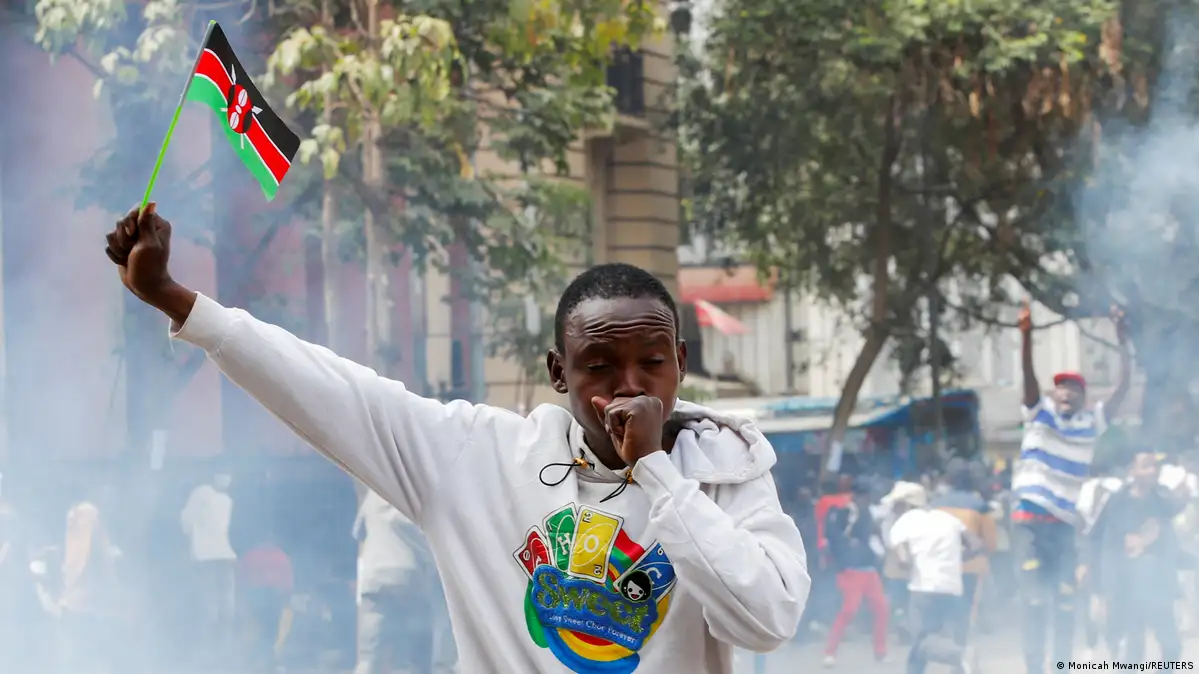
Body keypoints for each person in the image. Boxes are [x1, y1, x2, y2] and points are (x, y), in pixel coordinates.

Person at [103, 205, 810, 674]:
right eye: (599, 366)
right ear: (558, 373)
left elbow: (765, 621)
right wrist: (174, 298)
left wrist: (656, 471)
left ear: (680, 362)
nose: (629, 386)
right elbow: (334, 391)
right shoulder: (481, 456)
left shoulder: (727, 468)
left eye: (652, 363)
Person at [1012, 299, 1130, 674]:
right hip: (1030, 523)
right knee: (1034, 601)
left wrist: (1122, 341)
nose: (1066, 393)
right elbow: (1028, 377)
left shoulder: (1091, 423)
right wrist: (1026, 336)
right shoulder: (1038, 413)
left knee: (1065, 602)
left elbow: (1123, 388)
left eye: (1074, 389)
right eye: (1060, 388)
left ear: (1084, 398)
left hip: (1063, 527)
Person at [1083, 452, 1186, 662]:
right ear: (1132, 471)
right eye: (1146, 466)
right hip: (1126, 586)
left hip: (1159, 584)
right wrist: (1089, 569)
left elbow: (1173, 521)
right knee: (1131, 647)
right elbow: (1095, 537)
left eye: (1154, 466)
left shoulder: (1162, 498)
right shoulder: (1115, 502)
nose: (1152, 471)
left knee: (1171, 646)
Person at [885, 482, 979, 674]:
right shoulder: (946, 518)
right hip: (953, 588)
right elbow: (977, 545)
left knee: (921, 641)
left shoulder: (904, 522)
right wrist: (955, 560)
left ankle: (960, 655)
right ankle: (958, 660)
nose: (893, 509)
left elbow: (903, 560)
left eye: (895, 505)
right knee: (946, 638)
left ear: (906, 504)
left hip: (924, 589)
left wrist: (909, 564)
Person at [353, 487, 438, 674]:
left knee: (368, 655)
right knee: (413, 652)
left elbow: (359, 533)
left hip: (373, 578)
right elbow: (426, 541)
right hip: (407, 577)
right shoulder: (411, 500)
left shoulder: (372, 497)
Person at [821, 480, 888, 667]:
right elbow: (833, 536)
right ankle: (830, 652)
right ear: (856, 496)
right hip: (851, 570)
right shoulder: (843, 512)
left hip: (869, 569)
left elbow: (874, 537)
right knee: (849, 610)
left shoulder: (871, 513)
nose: (865, 499)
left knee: (882, 609)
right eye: (863, 495)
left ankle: (880, 652)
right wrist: (846, 553)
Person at [930, 459, 996, 644]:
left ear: (948, 479)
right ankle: (961, 650)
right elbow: (991, 543)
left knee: (944, 610)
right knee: (966, 612)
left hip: (940, 567)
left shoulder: (934, 505)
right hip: (972, 569)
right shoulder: (980, 506)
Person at [180, 472, 238, 661]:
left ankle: (210, 652)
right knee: (222, 606)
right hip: (220, 557)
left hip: (207, 557)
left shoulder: (215, 496)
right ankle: (220, 652)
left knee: (211, 605)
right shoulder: (210, 494)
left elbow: (186, 523)